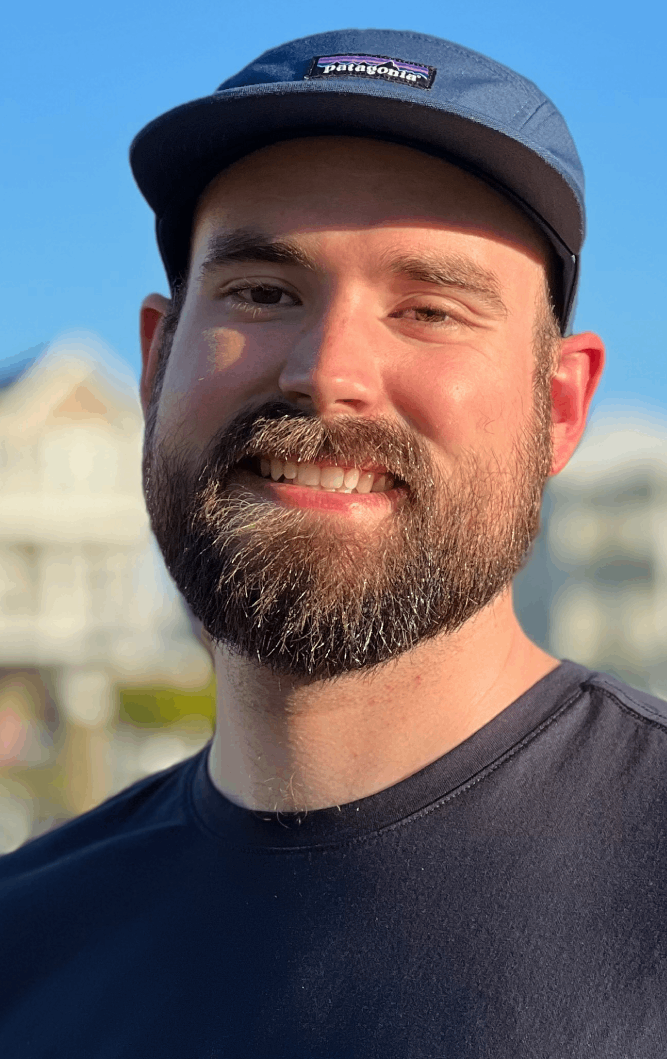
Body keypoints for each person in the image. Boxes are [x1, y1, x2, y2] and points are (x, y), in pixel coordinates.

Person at [1, 27, 666, 1057]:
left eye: (430, 309)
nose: (326, 370)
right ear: (155, 363)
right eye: (264, 293)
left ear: (560, 407)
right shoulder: (26, 939)